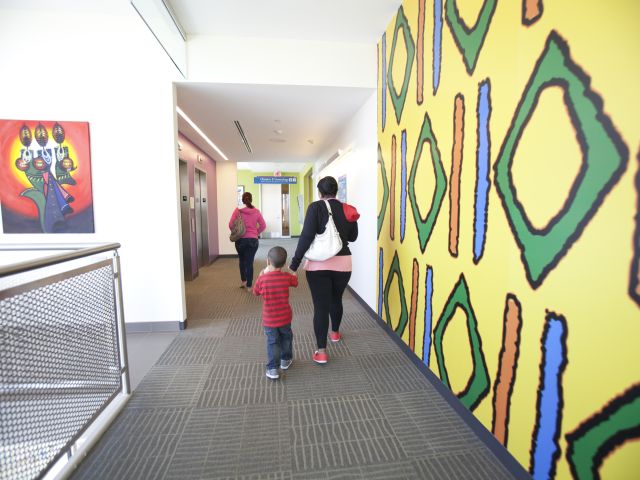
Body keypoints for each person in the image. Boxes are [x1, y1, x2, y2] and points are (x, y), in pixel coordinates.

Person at [289, 176, 359, 364]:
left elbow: (306, 236)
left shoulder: (316, 207)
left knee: (321, 307)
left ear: (320, 192)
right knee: (336, 300)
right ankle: (335, 333)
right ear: (336, 191)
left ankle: (321, 352)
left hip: (318, 266)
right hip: (343, 264)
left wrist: (294, 264)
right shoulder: (348, 209)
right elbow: (353, 237)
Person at [253, 246, 298, 379]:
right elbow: (295, 282)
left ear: (267, 261)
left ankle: (273, 368)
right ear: (284, 263)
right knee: (286, 337)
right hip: (285, 317)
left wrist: (260, 276)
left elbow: (255, 292)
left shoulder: (263, 279)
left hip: (270, 319)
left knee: (273, 342)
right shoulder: (286, 277)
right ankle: (285, 360)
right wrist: (294, 273)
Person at [229, 192, 266, 290]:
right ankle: (249, 286)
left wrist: (236, 231)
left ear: (242, 200)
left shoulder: (238, 211)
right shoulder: (256, 211)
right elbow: (263, 226)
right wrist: (255, 233)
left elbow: (230, 224)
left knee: (242, 260)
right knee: (250, 262)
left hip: (240, 240)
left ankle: (243, 281)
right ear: (251, 199)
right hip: (253, 240)